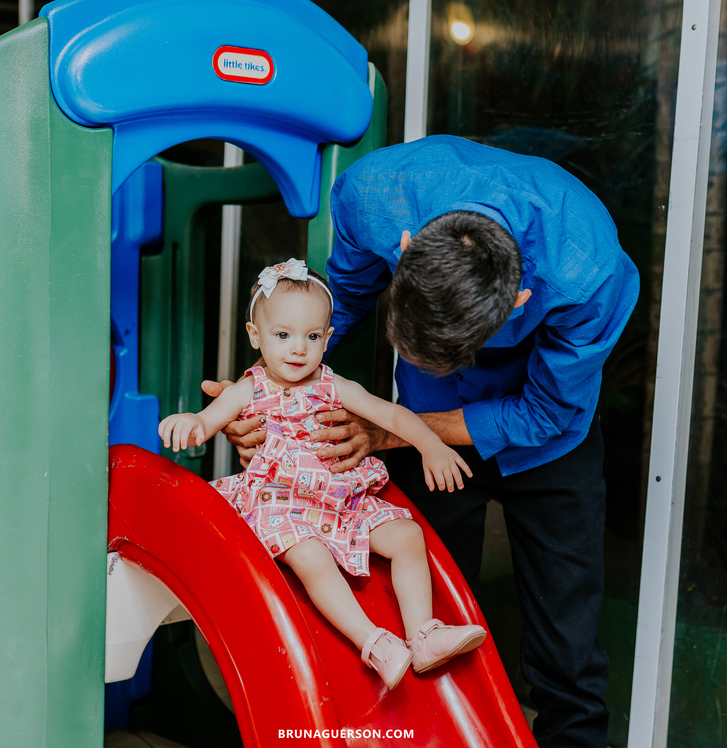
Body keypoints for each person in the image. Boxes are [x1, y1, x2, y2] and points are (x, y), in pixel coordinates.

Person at [207, 135, 640, 748]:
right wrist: (271, 395)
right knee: (417, 616)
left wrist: (390, 431)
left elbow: (544, 411)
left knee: (567, 656)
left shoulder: (585, 268)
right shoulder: (376, 197)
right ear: (405, 248)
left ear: (520, 301)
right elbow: (341, 306)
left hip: (548, 439)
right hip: (417, 426)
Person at [160, 259, 487, 691]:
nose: (298, 349)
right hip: (282, 504)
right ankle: (373, 642)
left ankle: (423, 635)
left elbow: (389, 413)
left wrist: (431, 445)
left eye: (311, 336)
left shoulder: (333, 386)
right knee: (310, 556)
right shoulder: (252, 387)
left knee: (408, 534)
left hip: (340, 502)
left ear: (327, 339)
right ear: (255, 337)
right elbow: (210, 419)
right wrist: (189, 422)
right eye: (282, 336)